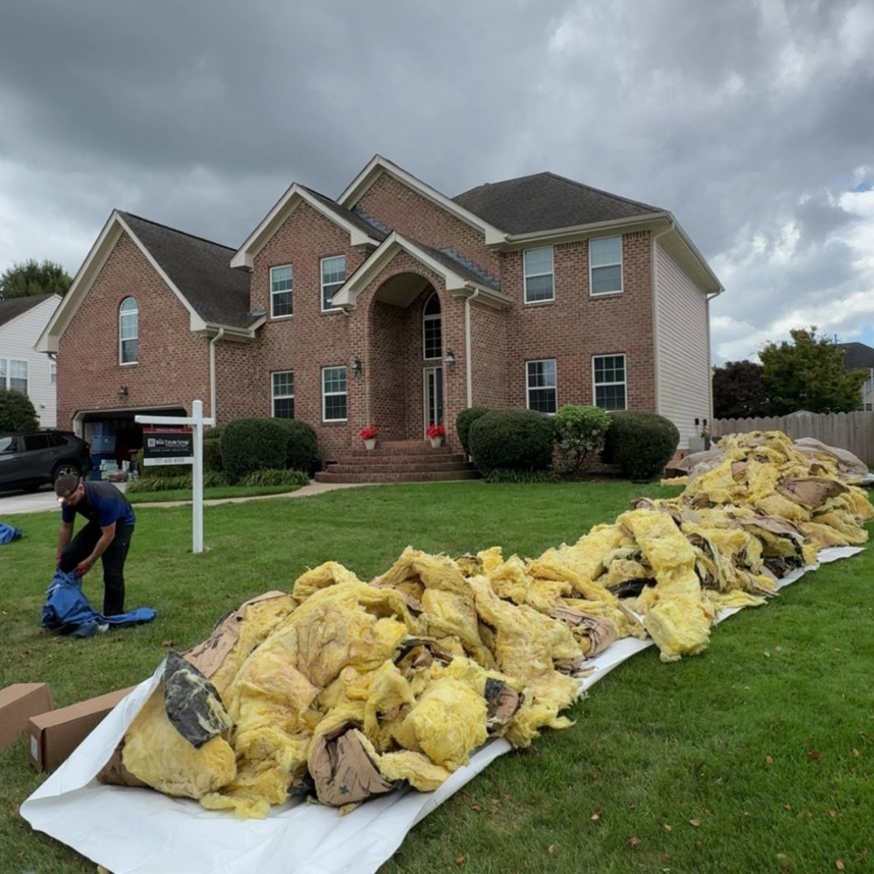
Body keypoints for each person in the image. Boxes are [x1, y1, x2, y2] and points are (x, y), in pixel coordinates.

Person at [54, 474, 136, 616]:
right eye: (64, 500)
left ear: (80, 488)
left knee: (112, 572)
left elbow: (108, 535)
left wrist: (89, 561)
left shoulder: (104, 499)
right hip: (99, 522)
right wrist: (60, 555)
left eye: (71, 499)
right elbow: (66, 527)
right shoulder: (68, 500)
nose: (69, 504)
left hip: (122, 523)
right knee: (67, 558)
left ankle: (114, 614)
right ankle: (66, 605)